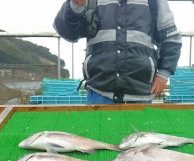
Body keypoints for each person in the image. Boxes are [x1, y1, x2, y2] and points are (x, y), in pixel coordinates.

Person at [54, 0, 182, 104]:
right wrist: (76, 6)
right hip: (98, 93)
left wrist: (163, 74)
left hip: (141, 95)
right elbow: (68, 33)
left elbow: (172, 38)